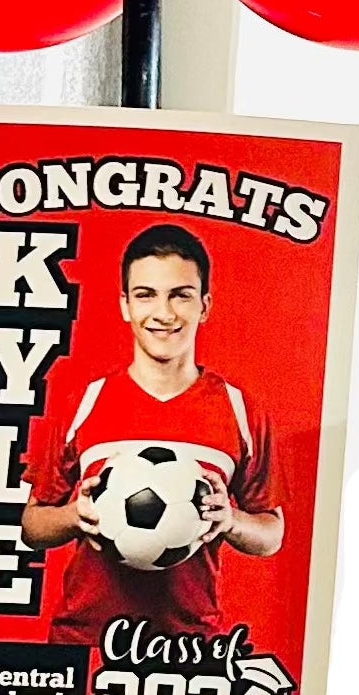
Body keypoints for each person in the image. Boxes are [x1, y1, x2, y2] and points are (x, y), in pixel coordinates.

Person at [22, 222, 284, 634]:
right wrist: (75, 516)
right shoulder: (84, 402)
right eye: (146, 295)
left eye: (181, 295)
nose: (164, 314)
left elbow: (272, 534)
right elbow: (32, 526)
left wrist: (230, 520)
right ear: (125, 305)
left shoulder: (240, 409)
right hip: (85, 640)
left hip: (190, 646)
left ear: (205, 305)